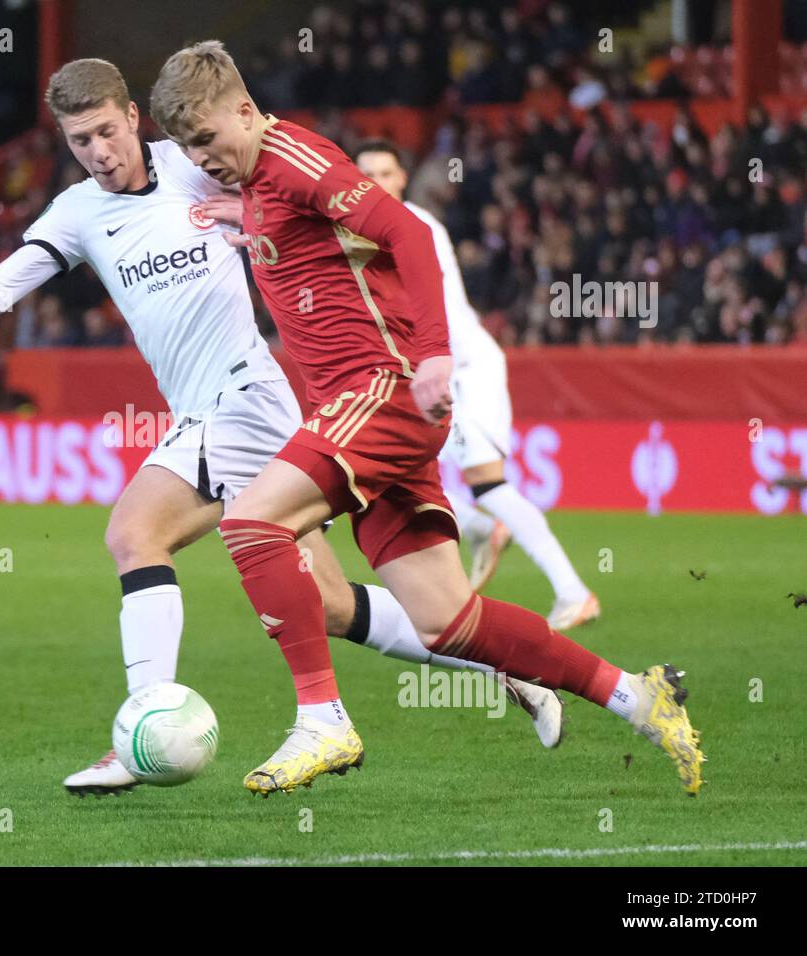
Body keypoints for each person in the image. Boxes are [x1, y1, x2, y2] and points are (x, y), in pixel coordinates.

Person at [0, 58, 561, 797]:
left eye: (106, 131)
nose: (98, 151)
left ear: (134, 117)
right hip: (199, 410)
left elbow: (297, 189)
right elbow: (2, 289)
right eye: (79, 141)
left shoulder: (195, 162)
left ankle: (140, 731)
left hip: (247, 397)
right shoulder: (77, 214)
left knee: (134, 533)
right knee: (326, 602)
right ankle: (501, 662)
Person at [148, 40, 703, 797]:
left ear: (246, 111)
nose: (201, 156)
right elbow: (312, 242)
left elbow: (405, 233)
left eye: (208, 139)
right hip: (365, 411)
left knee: (251, 523)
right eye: (189, 148)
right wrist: (244, 214)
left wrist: (436, 357)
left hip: (380, 391)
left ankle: (323, 720)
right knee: (448, 622)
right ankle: (638, 697)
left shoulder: (294, 161)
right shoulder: (260, 182)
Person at [351, 140, 598, 627]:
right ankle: (484, 530)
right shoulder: (367, 233)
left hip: (463, 370)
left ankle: (573, 591)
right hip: (430, 372)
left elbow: (423, 306)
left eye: (386, 172)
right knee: (393, 477)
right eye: (367, 174)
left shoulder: (414, 225)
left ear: (403, 179)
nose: (377, 181)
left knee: (488, 484)